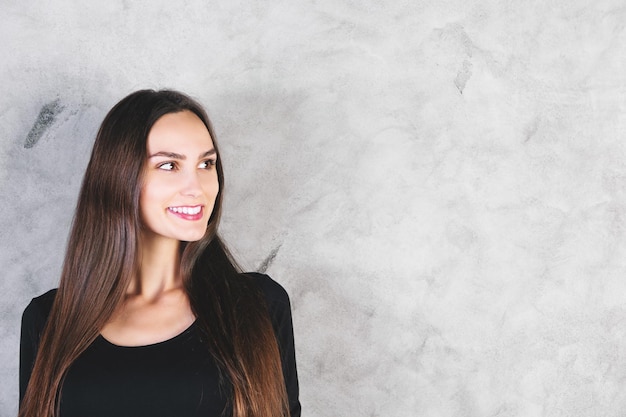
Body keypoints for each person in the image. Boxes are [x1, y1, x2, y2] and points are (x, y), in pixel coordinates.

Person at [18, 90, 300, 417]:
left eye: (206, 164)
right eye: (169, 165)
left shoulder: (259, 306)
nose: (197, 187)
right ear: (118, 176)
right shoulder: (48, 320)